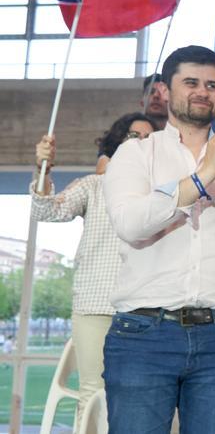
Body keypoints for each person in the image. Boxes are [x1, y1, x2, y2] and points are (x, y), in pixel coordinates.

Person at [103, 45, 215, 432]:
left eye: (213, 85)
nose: (203, 91)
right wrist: (201, 179)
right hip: (144, 333)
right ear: (166, 90)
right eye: (191, 82)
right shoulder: (136, 154)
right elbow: (131, 224)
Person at [31, 112, 153, 432]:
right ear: (116, 144)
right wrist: (44, 168)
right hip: (95, 305)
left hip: (145, 308)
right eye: (134, 136)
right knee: (93, 394)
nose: (142, 142)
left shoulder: (162, 194)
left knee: (145, 397)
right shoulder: (94, 185)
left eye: (149, 138)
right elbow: (47, 210)